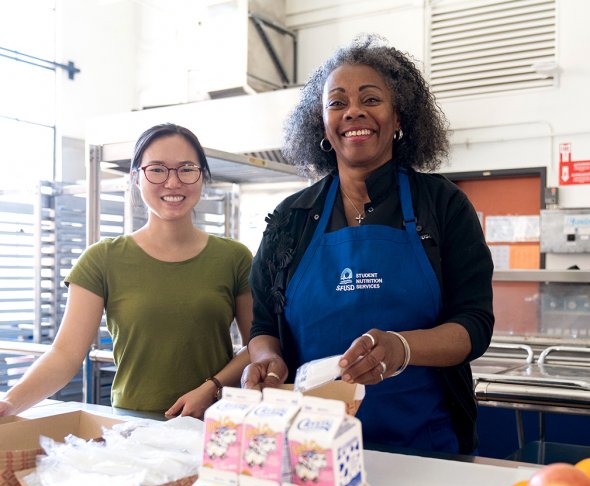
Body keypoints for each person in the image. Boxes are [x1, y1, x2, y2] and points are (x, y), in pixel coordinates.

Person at [242, 35, 494, 454]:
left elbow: (474, 324)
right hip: (311, 448)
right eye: (337, 102)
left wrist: (402, 347)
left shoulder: (442, 204)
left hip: (427, 449)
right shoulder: (291, 217)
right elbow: (265, 325)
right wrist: (267, 359)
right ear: (322, 123)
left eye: (371, 99)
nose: (353, 110)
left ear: (398, 118)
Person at [0, 123, 253, 419]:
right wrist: (10, 402)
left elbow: (258, 346)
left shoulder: (234, 257)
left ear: (202, 177)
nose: (173, 183)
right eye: (157, 170)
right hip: (131, 426)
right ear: (135, 178)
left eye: (186, 169)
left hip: (213, 422)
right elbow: (65, 354)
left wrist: (213, 387)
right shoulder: (102, 259)